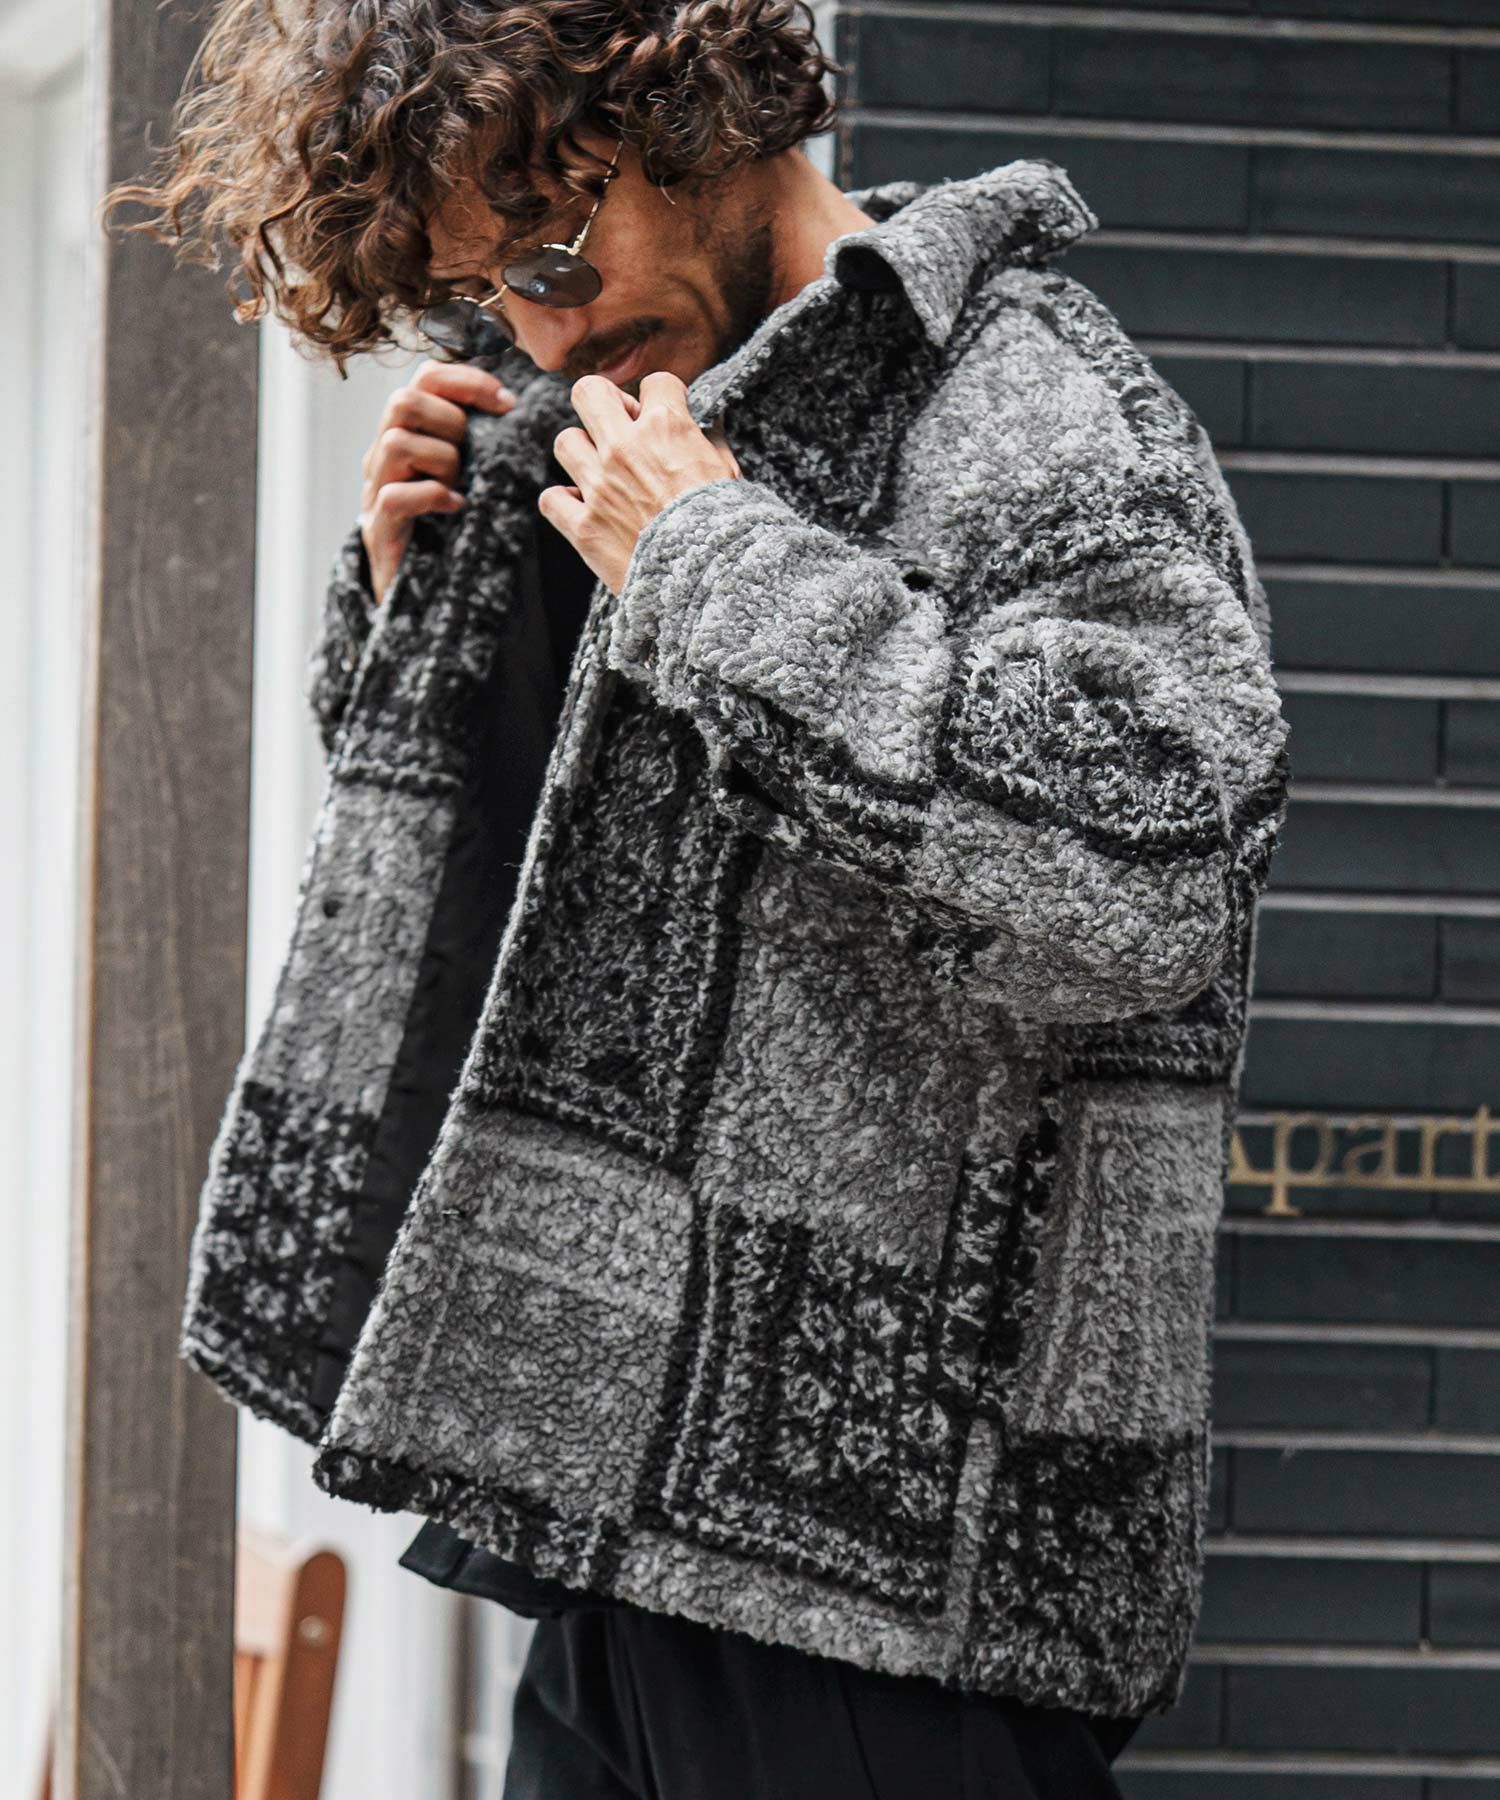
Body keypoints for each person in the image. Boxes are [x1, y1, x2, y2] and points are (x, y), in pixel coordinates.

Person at [107, 3, 1290, 1795]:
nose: (543, 328)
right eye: (488, 290)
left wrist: (712, 566)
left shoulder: (1026, 404)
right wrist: (426, 643)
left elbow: (1155, 869)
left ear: (700, 112)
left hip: (891, 1566)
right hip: (607, 1498)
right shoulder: (611, 426)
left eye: (553, 253)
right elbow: (597, 904)